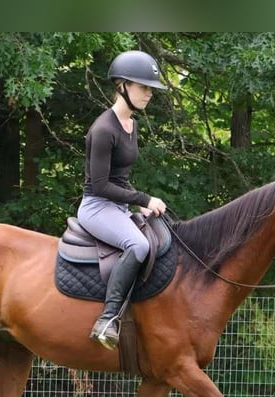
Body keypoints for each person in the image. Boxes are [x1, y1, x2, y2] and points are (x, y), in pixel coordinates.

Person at [77, 50, 168, 350]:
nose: (149, 94)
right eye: (143, 87)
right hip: (96, 206)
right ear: (122, 86)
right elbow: (101, 185)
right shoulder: (103, 129)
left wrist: (139, 203)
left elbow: (120, 179)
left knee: (162, 234)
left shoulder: (132, 125)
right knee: (139, 244)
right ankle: (107, 319)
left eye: (150, 89)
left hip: (118, 205)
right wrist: (143, 197)